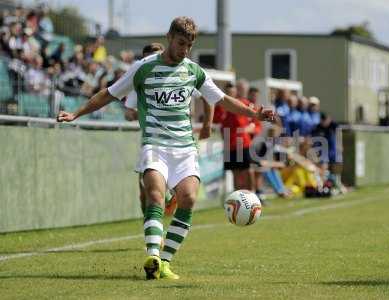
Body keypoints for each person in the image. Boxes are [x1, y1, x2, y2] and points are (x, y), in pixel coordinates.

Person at [57, 16, 274, 280]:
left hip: (184, 149)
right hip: (155, 146)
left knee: (189, 199)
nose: (184, 50)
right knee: (155, 195)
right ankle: (153, 255)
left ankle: (165, 262)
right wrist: (77, 114)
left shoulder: (193, 71)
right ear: (170, 37)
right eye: (181, 43)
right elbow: (109, 93)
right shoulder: (143, 68)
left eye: (189, 46)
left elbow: (223, 99)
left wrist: (256, 113)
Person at [124, 42, 214, 217]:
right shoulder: (141, 80)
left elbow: (207, 97)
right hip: (152, 142)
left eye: (155, 55)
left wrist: (207, 125)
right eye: (146, 57)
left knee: (169, 189)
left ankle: (173, 198)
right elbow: (128, 111)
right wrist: (136, 114)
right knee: (144, 193)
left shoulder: (180, 76)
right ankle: (151, 229)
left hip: (178, 142)